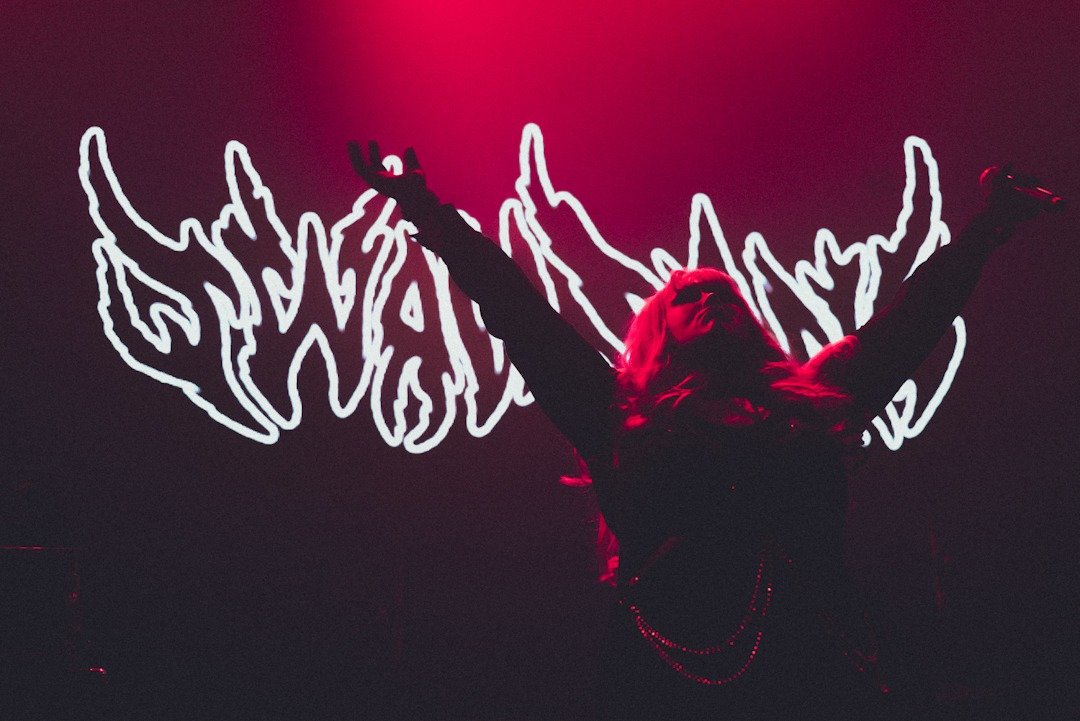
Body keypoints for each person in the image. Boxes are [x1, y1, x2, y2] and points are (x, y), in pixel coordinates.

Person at [348, 141, 1048, 720]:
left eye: (725, 292)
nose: (712, 297)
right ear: (660, 326)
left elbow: (911, 322)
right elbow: (521, 317)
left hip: (817, 669)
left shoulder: (812, 404)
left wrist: (991, 225)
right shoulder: (619, 413)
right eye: (690, 295)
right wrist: (425, 210)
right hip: (666, 676)